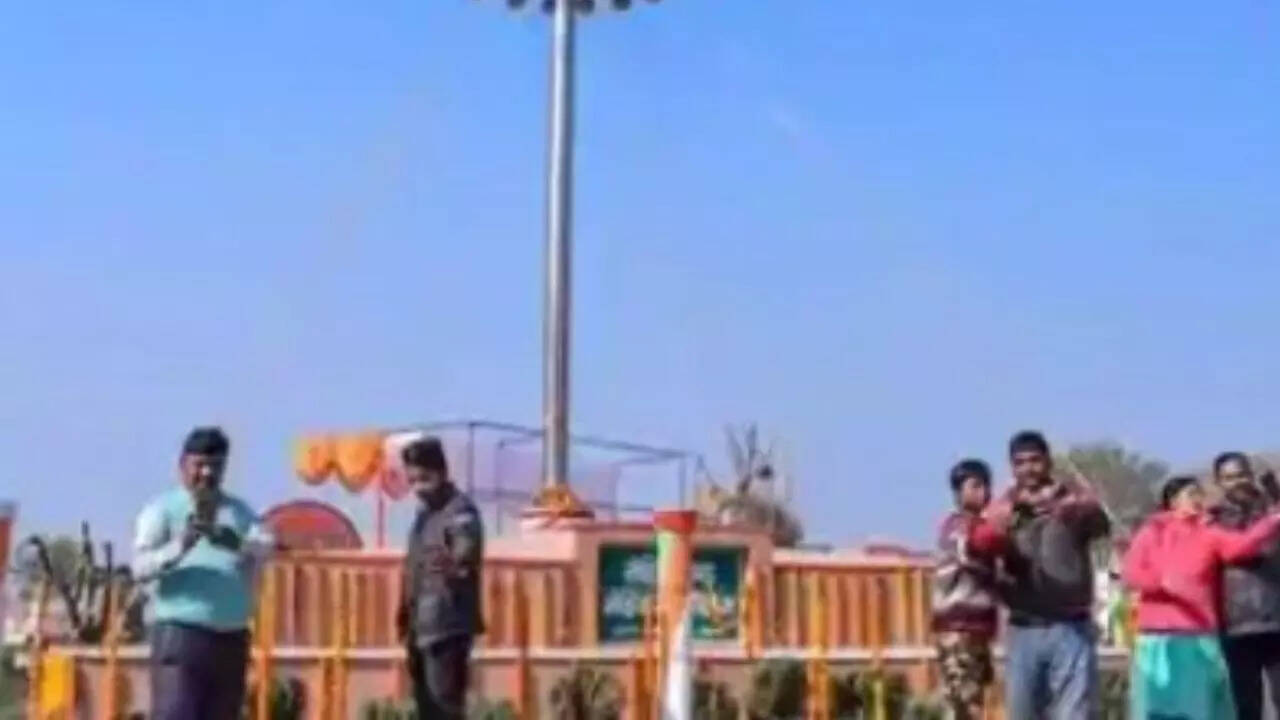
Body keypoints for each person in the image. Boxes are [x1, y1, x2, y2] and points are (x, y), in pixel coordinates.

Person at [131, 427, 275, 720]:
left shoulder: (239, 512)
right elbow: (140, 567)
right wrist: (180, 546)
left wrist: (235, 542)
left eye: (215, 466)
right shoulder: (163, 510)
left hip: (230, 637)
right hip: (181, 635)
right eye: (200, 465)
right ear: (183, 465)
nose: (207, 474)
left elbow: (267, 545)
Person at [970, 430, 1110, 719]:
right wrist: (998, 528)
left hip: (1070, 627)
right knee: (1023, 713)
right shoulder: (1002, 508)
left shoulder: (1072, 500)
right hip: (1024, 627)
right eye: (1020, 463)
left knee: (1075, 713)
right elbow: (980, 552)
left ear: (1048, 462)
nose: (1028, 469)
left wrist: (1080, 509)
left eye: (1035, 460)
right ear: (1012, 467)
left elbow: (1101, 525)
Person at [1123, 475, 1280, 719]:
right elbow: (1132, 573)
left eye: (1199, 494)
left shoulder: (1209, 533)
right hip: (1158, 637)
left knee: (1199, 705)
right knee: (1158, 707)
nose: (1197, 499)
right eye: (1190, 494)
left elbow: (1242, 546)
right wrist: (1161, 583)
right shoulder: (1151, 532)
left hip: (1197, 634)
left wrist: (1272, 520)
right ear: (1173, 501)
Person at [396, 436, 484, 720]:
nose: (418, 488)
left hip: (447, 627)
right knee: (427, 710)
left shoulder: (459, 510)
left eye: (424, 479)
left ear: (441, 472)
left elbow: (466, 550)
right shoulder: (424, 516)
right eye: (412, 481)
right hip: (418, 628)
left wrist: (458, 560)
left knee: (444, 710)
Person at [1208, 452, 1280, 720]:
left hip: (1276, 618)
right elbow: (1238, 550)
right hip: (1235, 624)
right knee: (1247, 704)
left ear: (1250, 475)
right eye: (1229, 477)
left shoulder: (1272, 509)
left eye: (1241, 475)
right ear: (1218, 482)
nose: (1237, 482)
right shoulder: (1212, 519)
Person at [931, 459, 1000, 720]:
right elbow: (978, 548)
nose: (983, 492)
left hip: (976, 629)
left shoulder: (976, 524)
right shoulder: (959, 527)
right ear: (959, 492)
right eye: (975, 486)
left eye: (985, 486)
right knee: (963, 703)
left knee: (975, 699)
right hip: (958, 628)